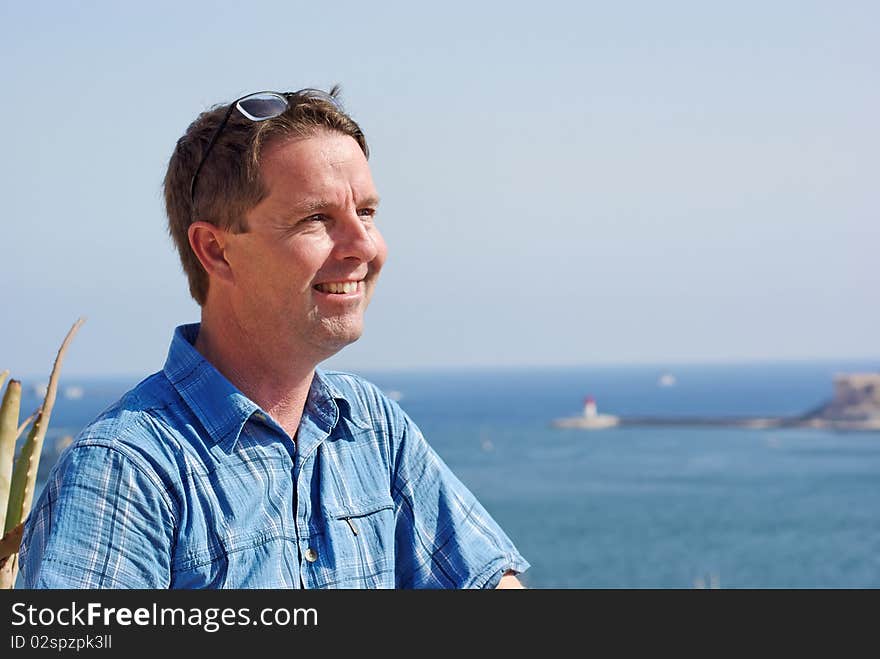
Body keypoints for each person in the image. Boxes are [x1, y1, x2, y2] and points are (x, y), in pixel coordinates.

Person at [19, 87, 529, 589]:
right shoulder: (125, 473)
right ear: (217, 251)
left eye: (367, 213)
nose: (364, 246)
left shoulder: (373, 429)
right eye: (317, 218)